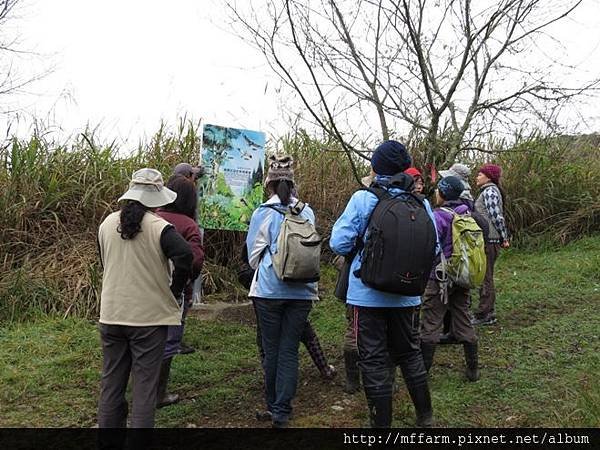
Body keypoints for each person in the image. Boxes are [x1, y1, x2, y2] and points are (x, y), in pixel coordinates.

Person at [330, 140, 435, 428]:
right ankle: (425, 417)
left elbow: (338, 242)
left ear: (376, 168)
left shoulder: (364, 199)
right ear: (405, 168)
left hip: (367, 296)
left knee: (374, 360)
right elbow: (434, 249)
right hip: (408, 296)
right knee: (409, 353)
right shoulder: (421, 203)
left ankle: (380, 427)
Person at [97, 168, 192, 433]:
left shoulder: (106, 224)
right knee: (144, 391)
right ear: (157, 197)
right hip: (148, 321)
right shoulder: (160, 228)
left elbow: (106, 261)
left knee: (111, 387)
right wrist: (175, 288)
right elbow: (185, 257)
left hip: (111, 314)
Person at [246, 154, 318, 428]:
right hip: (302, 290)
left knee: (272, 348)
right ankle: (282, 411)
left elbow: (253, 258)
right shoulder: (306, 211)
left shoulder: (263, 212)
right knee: (289, 349)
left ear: (269, 185)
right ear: (292, 182)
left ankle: (272, 405)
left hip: (269, 290)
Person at [238, 244, 336, 383]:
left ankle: (271, 377)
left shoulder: (260, 227)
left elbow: (247, 262)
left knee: (265, 335)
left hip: (266, 290)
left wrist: (254, 280)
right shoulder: (302, 222)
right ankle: (324, 368)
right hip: (295, 284)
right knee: (303, 330)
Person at [419, 176, 480, 382]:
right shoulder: (466, 212)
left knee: (431, 322)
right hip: (461, 276)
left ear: (443, 193)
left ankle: (421, 375)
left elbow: (429, 246)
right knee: (462, 317)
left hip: (438, 277)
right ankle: (473, 370)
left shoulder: (438, 216)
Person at [156, 175, 205, 408]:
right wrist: (185, 283)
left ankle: (140, 385)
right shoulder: (188, 225)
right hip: (176, 292)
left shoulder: (153, 217)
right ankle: (159, 393)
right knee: (170, 339)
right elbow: (194, 261)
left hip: (147, 289)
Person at [472, 164, 509, 326]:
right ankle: (488, 312)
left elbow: (496, 216)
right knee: (486, 276)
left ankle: (484, 314)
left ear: (488, 177)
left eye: (480, 174)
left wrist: (504, 237)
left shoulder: (490, 192)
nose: (477, 177)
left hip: (489, 239)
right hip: (489, 239)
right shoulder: (489, 191)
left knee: (486, 277)